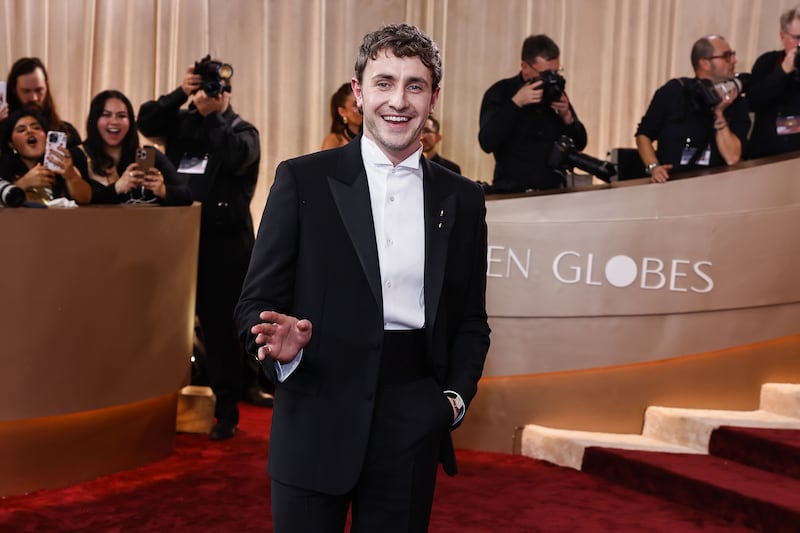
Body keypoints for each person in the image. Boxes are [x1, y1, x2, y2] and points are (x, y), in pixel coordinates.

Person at [236, 23, 490, 532]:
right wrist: (278, 349)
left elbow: (470, 320)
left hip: (412, 425)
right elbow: (252, 305)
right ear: (357, 92)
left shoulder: (462, 198)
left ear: (433, 97)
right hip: (314, 412)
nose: (398, 100)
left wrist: (451, 403)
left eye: (414, 85)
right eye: (384, 82)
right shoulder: (302, 179)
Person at [137, 57, 270, 440]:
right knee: (168, 326)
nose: (211, 95)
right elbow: (147, 121)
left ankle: (226, 412)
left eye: (217, 90)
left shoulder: (243, 131)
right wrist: (182, 92)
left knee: (219, 330)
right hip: (178, 240)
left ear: (229, 94)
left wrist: (213, 117)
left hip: (225, 247)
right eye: (204, 88)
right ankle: (161, 406)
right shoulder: (183, 122)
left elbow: (233, 157)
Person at [478, 34, 586, 193]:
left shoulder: (554, 92)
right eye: (546, 74)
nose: (551, 79)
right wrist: (515, 104)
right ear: (525, 67)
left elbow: (580, 143)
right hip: (512, 193)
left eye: (556, 72)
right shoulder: (500, 92)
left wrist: (568, 117)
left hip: (554, 192)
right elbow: (487, 142)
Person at [636, 35, 750, 183]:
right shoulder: (673, 91)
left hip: (717, 188)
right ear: (705, 63)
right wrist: (654, 167)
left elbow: (732, 158)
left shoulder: (737, 103)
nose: (734, 61)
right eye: (726, 56)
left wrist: (719, 113)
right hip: (673, 186)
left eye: (732, 55)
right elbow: (643, 135)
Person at [83, 90, 191, 205]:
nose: (114, 121)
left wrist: (162, 190)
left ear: (130, 122)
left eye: (121, 116)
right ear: (93, 120)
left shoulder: (148, 153)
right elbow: (76, 200)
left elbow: (186, 195)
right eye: (106, 115)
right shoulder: (80, 154)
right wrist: (116, 188)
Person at [0, 108, 91, 205]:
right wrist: (23, 184)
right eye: (21, 130)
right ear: (11, 144)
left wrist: (71, 176)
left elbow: (85, 199)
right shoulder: (3, 168)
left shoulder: (60, 165)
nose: (30, 131)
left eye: (36, 127)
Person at [747, 6, 800, 159]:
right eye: (797, 38)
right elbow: (753, 101)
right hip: (767, 154)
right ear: (782, 36)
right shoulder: (767, 62)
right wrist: (783, 71)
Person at [1, 57, 82, 147]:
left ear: (46, 88)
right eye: (26, 91)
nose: (34, 98)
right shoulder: (3, 132)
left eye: (39, 90)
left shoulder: (67, 132)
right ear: (14, 91)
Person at [320, 82, 362, 150]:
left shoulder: (376, 138)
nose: (361, 108)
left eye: (363, 102)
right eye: (355, 105)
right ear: (342, 112)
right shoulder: (334, 141)